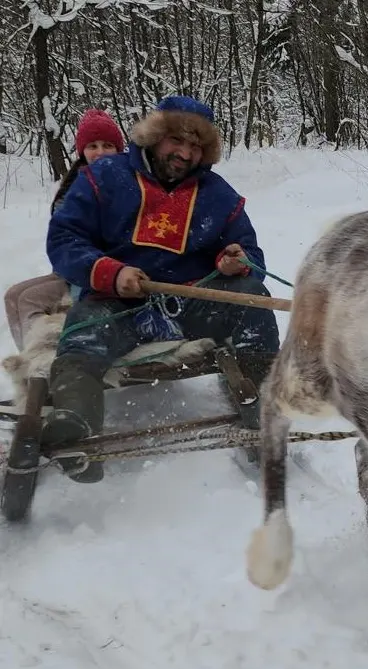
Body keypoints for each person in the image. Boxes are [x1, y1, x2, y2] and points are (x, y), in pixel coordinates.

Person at [43, 95, 280, 482]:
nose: (185, 153)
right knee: (82, 331)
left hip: (191, 303)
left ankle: (267, 406)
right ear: (155, 136)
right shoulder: (104, 178)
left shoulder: (218, 195)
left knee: (252, 297)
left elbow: (250, 253)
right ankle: (76, 427)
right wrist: (109, 272)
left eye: (195, 146)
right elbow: (64, 240)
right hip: (119, 305)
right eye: (177, 141)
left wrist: (236, 261)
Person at [4, 109, 126, 347]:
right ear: (82, 150)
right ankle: (30, 363)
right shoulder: (77, 181)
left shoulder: (123, 182)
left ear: (118, 149)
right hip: (73, 267)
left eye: (107, 145)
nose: (100, 153)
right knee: (12, 296)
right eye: (92, 146)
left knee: (29, 300)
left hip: (98, 270)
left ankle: (46, 362)